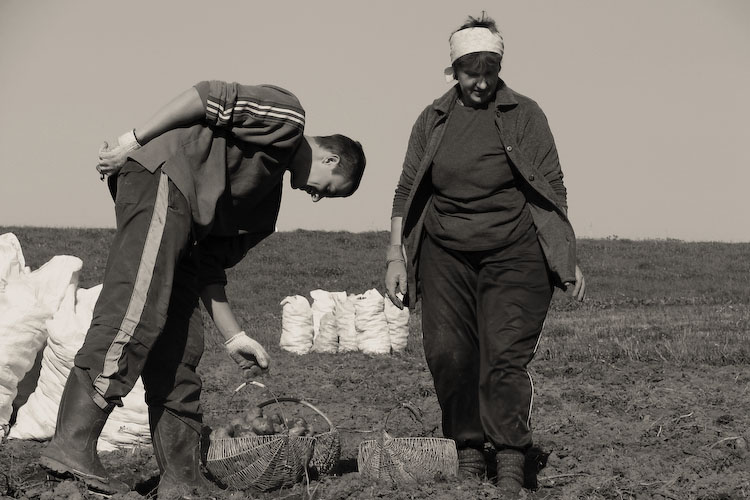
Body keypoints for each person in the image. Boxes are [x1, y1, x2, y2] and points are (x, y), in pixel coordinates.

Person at [39, 80, 366, 498]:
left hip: (187, 229)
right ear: (331, 158)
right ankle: (72, 445)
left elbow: (208, 269)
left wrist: (234, 337)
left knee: (181, 348)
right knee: (134, 313)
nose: (316, 196)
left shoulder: (263, 208)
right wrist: (133, 141)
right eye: (329, 188)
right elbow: (207, 96)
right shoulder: (288, 118)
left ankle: (181, 479)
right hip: (165, 180)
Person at [384, 13, 585, 497]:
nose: (480, 82)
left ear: (499, 67)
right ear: (453, 70)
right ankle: (470, 452)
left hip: (515, 252)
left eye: (489, 71)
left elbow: (552, 186)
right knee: (448, 354)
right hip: (445, 252)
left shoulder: (525, 115)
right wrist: (395, 256)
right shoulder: (433, 118)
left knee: (503, 357)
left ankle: (512, 460)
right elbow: (407, 189)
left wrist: (562, 251)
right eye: (470, 72)